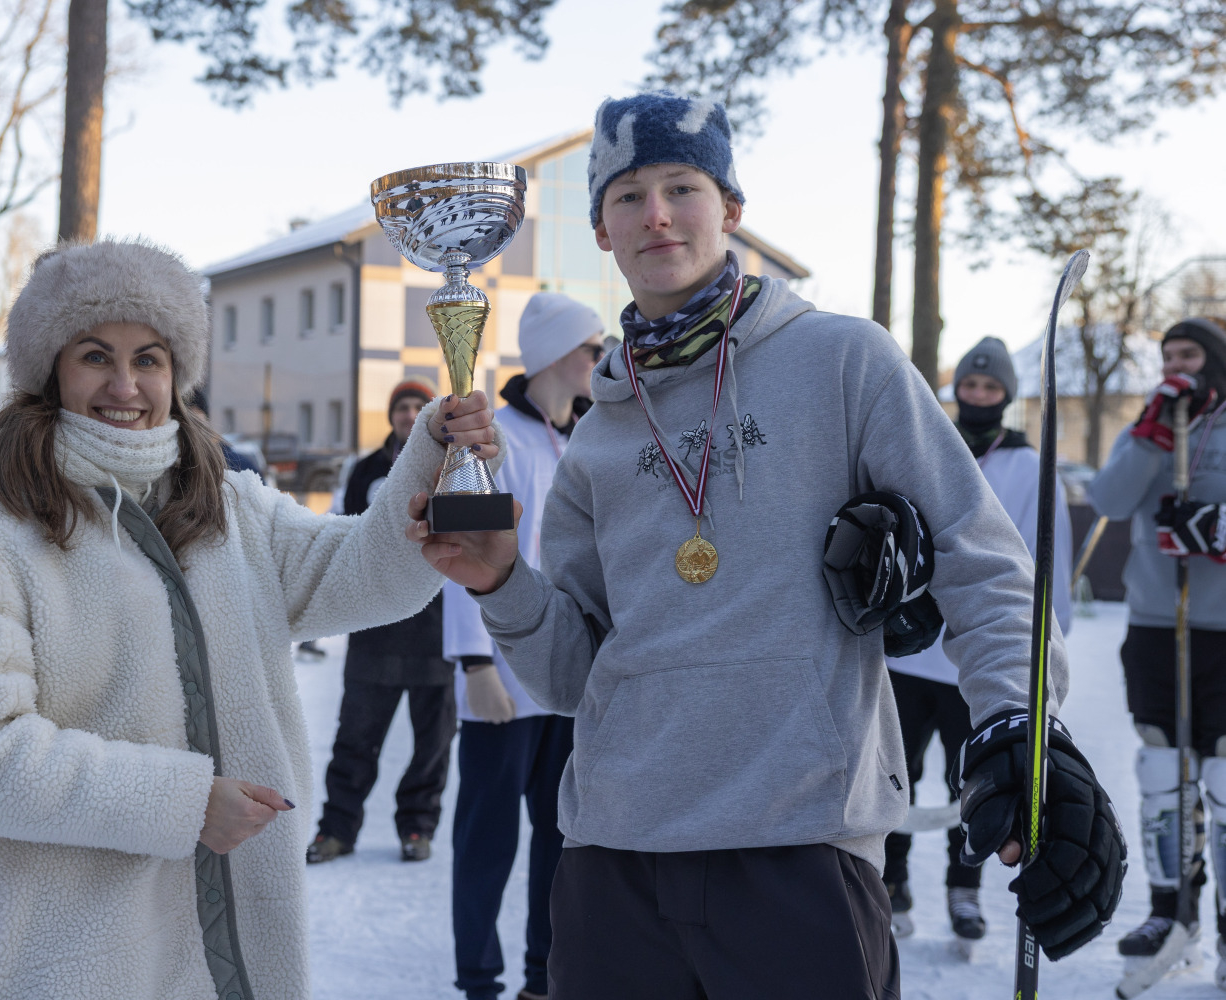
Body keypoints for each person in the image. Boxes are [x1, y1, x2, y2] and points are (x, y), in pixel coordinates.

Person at [406, 91, 1125, 998]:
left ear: (731, 209)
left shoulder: (843, 361)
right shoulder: (598, 437)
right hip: (612, 862)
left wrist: (1020, 722)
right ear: (601, 231)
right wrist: (503, 581)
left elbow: (980, 558)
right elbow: (570, 674)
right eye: (626, 196)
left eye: (682, 186)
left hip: (799, 848)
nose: (656, 213)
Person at [0, 238, 498, 1000]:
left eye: (149, 358)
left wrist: (433, 459)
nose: (125, 385)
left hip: (237, 952)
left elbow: (356, 574)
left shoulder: (225, 503)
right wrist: (181, 804)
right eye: (95, 356)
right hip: (77, 955)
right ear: (49, 368)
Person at [881, 337, 1073, 945]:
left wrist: (1045, 649)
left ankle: (964, 892)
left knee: (976, 782)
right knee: (895, 777)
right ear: (956, 390)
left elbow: (1049, 561)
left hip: (978, 657)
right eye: (970, 387)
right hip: (907, 654)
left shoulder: (1028, 466)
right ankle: (892, 883)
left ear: (1007, 397)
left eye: (991, 390)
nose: (979, 397)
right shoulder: (926, 448)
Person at [442, 293, 602, 1000]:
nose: (601, 359)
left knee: (561, 842)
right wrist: (474, 663)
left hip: (568, 679)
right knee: (485, 844)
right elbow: (460, 550)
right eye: (592, 348)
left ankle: (545, 977)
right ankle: (479, 980)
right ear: (555, 357)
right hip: (501, 685)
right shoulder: (488, 438)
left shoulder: (597, 442)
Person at [1089, 317, 1226, 977]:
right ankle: (1171, 908)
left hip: (1224, 628)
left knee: (1223, 774)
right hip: (1154, 622)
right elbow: (1110, 499)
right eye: (1169, 354)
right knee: (1160, 766)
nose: (1178, 365)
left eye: (1191, 354)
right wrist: (1148, 437)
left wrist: (1215, 526)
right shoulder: (1147, 426)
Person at [305, 375, 457, 865]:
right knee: (355, 739)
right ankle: (337, 829)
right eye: (402, 407)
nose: (410, 414)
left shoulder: (454, 467)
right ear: (391, 415)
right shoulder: (367, 469)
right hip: (374, 629)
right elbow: (348, 533)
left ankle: (417, 828)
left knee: (431, 747)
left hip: (435, 633)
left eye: (418, 406)